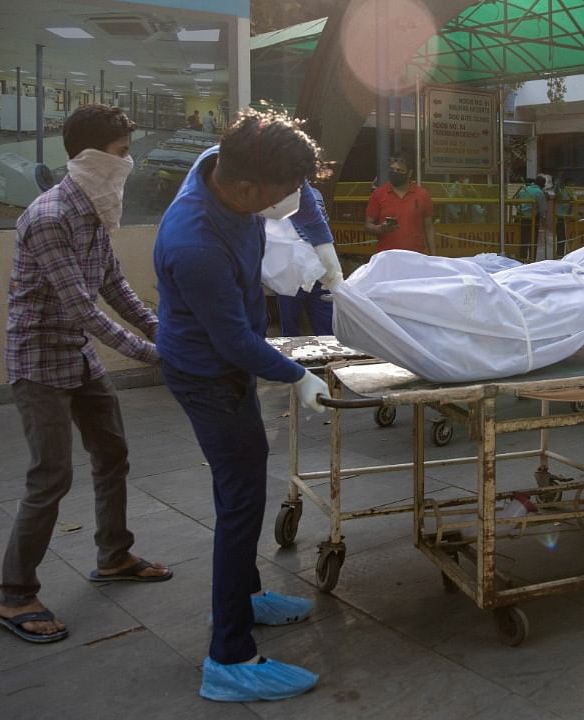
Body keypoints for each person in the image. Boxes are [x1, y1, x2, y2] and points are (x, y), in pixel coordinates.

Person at [153, 109, 337, 701]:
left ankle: (247, 594)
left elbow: (290, 193)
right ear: (244, 189)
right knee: (240, 504)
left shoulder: (225, 165)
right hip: (210, 376)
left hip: (231, 360)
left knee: (243, 488)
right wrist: (297, 375)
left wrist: (324, 251)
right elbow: (230, 340)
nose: (290, 203)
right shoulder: (195, 242)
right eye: (282, 194)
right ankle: (228, 658)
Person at [0, 104, 171, 645]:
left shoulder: (92, 210)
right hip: (38, 362)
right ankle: (15, 594)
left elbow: (114, 287)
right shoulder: (49, 217)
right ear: (92, 156)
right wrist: (153, 355)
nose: (128, 163)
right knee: (51, 477)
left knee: (111, 453)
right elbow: (80, 307)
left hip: (77, 355)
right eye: (121, 153)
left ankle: (114, 555)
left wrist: (165, 332)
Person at [275, 181, 338, 336]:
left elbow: (322, 226)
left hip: (317, 266)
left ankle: (329, 357)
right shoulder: (275, 194)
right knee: (290, 323)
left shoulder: (316, 194)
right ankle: (291, 358)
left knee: (324, 322)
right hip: (291, 269)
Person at [364, 154, 436, 255]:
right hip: (387, 257)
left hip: (415, 256)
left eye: (399, 170)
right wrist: (380, 228)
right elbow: (368, 225)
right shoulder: (378, 194)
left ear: (409, 173)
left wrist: (433, 256)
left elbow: (428, 227)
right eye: (392, 170)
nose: (395, 173)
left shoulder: (422, 194)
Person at [513, 176, 548, 259]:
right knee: (533, 241)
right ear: (543, 185)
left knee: (521, 240)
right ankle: (531, 259)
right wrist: (543, 220)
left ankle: (521, 259)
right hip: (532, 220)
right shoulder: (539, 192)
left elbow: (515, 202)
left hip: (519, 217)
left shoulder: (523, 190)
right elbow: (542, 209)